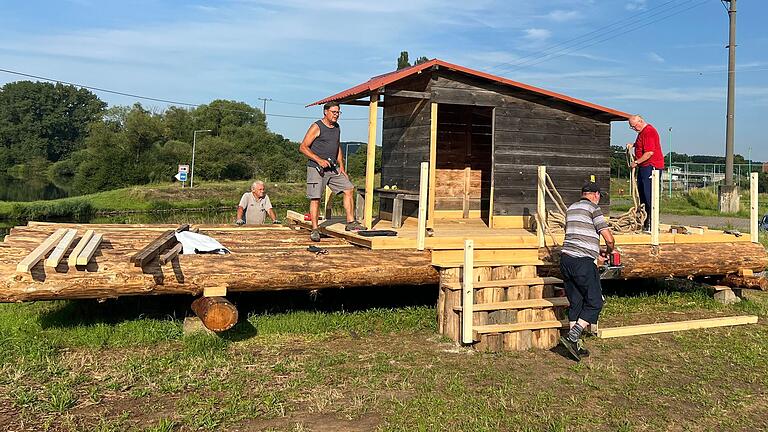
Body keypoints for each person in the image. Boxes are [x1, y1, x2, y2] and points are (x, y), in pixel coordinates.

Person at [558, 181, 615, 361]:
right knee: (595, 302)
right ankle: (572, 336)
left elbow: (577, 235)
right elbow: (608, 237)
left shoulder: (571, 208)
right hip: (583, 262)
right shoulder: (593, 209)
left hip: (566, 259)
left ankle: (574, 346)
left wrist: (595, 251)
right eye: (599, 196)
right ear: (596, 194)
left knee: (576, 302)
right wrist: (610, 250)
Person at [299, 101, 366, 242]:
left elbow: (337, 147)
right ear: (325, 112)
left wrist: (341, 166)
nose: (336, 115)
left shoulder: (337, 128)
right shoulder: (317, 127)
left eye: (338, 112)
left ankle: (350, 222)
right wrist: (318, 160)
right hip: (316, 168)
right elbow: (303, 147)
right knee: (316, 198)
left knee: (349, 188)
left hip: (333, 167)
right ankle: (315, 229)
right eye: (334, 112)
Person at [626, 114, 664, 231]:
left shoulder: (649, 132)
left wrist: (636, 162)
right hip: (644, 167)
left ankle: (652, 223)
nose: (634, 129)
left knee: (649, 196)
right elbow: (642, 144)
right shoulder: (642, 133)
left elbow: (649, 153)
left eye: (634, 126)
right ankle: (645, 221)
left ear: (640, 121)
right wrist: (633, 145)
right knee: (642, 195)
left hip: (651, 167)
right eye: (632, 127)